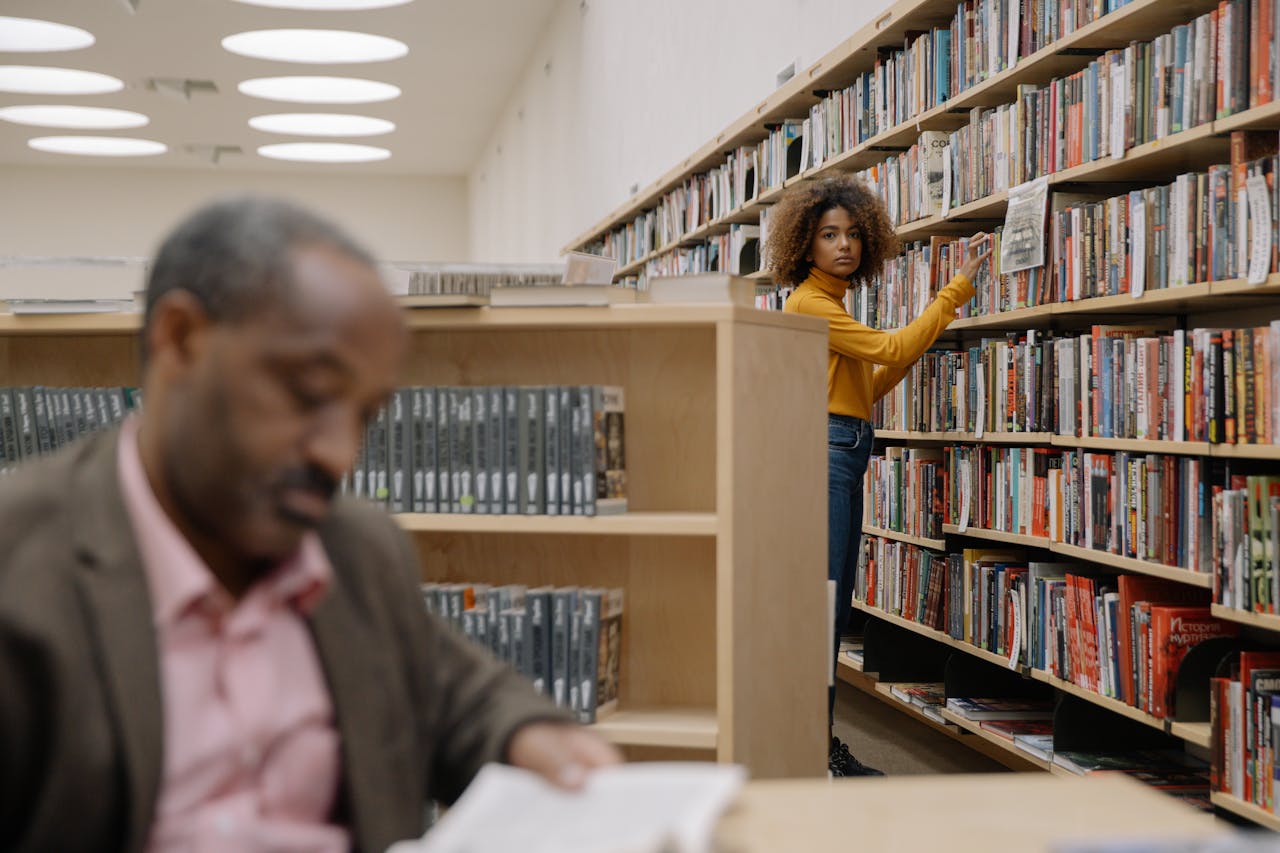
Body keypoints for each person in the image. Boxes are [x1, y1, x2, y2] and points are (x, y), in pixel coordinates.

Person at [0, 196, 621, 853]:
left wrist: (533, 736)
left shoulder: (356, 549)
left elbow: (461, 694)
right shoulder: (22, 567)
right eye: (307, 393)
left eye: (365, 416)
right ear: (179, 338)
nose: (338, 452)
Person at [768, 175, 990, 777]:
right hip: (829, 454)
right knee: (825, 607)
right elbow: (890, 351)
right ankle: (814, 750)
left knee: (830, 606)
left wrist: (916, 345)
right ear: (803, 246)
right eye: (828, 235)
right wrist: (954, 294)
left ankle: (815, 745)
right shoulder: (812, 303)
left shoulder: (830, 303)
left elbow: (870, 384)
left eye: (853, 235)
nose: (844, 246)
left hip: (843, 446)